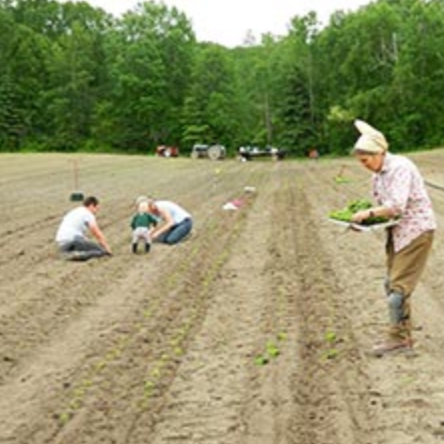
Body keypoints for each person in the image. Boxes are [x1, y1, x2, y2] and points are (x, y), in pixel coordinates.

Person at [350, 120, 436, 355]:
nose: (364, 165)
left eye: (366, 161)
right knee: (392, 285)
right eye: (360, 162)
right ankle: (402, 336)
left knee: (397, 289)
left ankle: (397, 340)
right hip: (397, 233)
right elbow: (384, 210)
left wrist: (367, 213)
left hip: (416, 231)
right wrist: (363, 222)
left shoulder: (400, 168)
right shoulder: (378, 175)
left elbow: (396, 205)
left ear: (379, 154)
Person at [55, 196, 112, 261]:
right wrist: (106, 248)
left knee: (85, 243)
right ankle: (78, 255)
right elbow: (96, 232)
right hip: (73, 240)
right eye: (96, 209)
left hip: (62, 244)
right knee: (101, 251)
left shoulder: (75, 211)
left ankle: (68, 253)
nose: (96, 212)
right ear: (91, 205)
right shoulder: (88, 214)